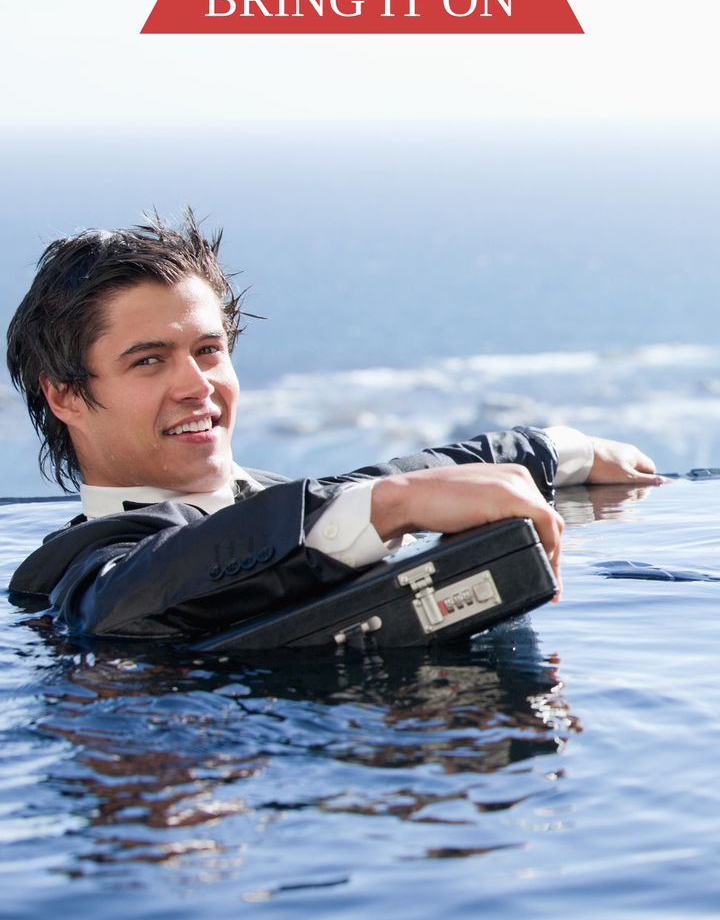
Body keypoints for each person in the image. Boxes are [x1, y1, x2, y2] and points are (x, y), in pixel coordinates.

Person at [6, 211, 662, 640]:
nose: (196, 385)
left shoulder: (280, 502)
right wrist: (393, 504)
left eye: (208, 351)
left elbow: (373, 483)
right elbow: (134, 598)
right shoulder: (75, 567)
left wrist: (552, 449)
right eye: (149, 361)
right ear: (65, 396)